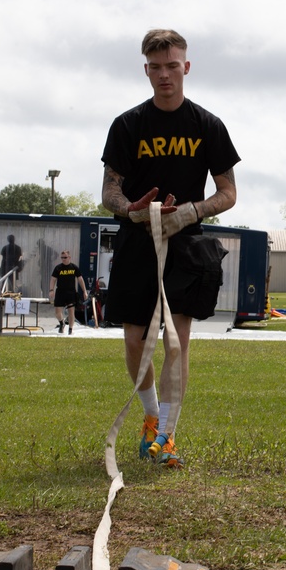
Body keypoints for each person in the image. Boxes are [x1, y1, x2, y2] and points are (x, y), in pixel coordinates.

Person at [101, 28, 239, 469]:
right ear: (146, 69)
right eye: (156, 67)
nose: (165, 75)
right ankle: (149, 419)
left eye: (172, 66)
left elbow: (228, 192)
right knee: (136, 340)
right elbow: (110, 191)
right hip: (138, 243)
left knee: (178, 342)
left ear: (186, 67)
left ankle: (167, 435)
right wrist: (131, 211)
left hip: (187, 247)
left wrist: (190, 213)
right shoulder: (127, 124)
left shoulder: (207, 125)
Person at [49, 250, 88, 335]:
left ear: (69, 257)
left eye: (65, 257)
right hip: (60, 292)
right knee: (57, 312)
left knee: (71, 311)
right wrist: (51, 290)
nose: (63, 259)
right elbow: (53, 279)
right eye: (62, 258)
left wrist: (84, 291)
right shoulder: (58, 268)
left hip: (71, 292)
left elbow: (80, 279)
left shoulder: (74, 267)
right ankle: (62, 323)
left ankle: (70, 329)